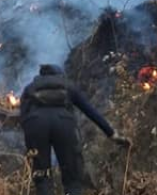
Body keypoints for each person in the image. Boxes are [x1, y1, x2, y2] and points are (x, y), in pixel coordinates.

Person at [20, 64, 130, 195]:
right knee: (72, 178)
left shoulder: (29, 89)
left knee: (42, 178)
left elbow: (23, 116)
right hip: (64, 124)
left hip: (36, 125)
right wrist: (112, 134)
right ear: (59, 75)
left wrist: (31, 140)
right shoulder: (68, 86)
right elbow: (90, 111)